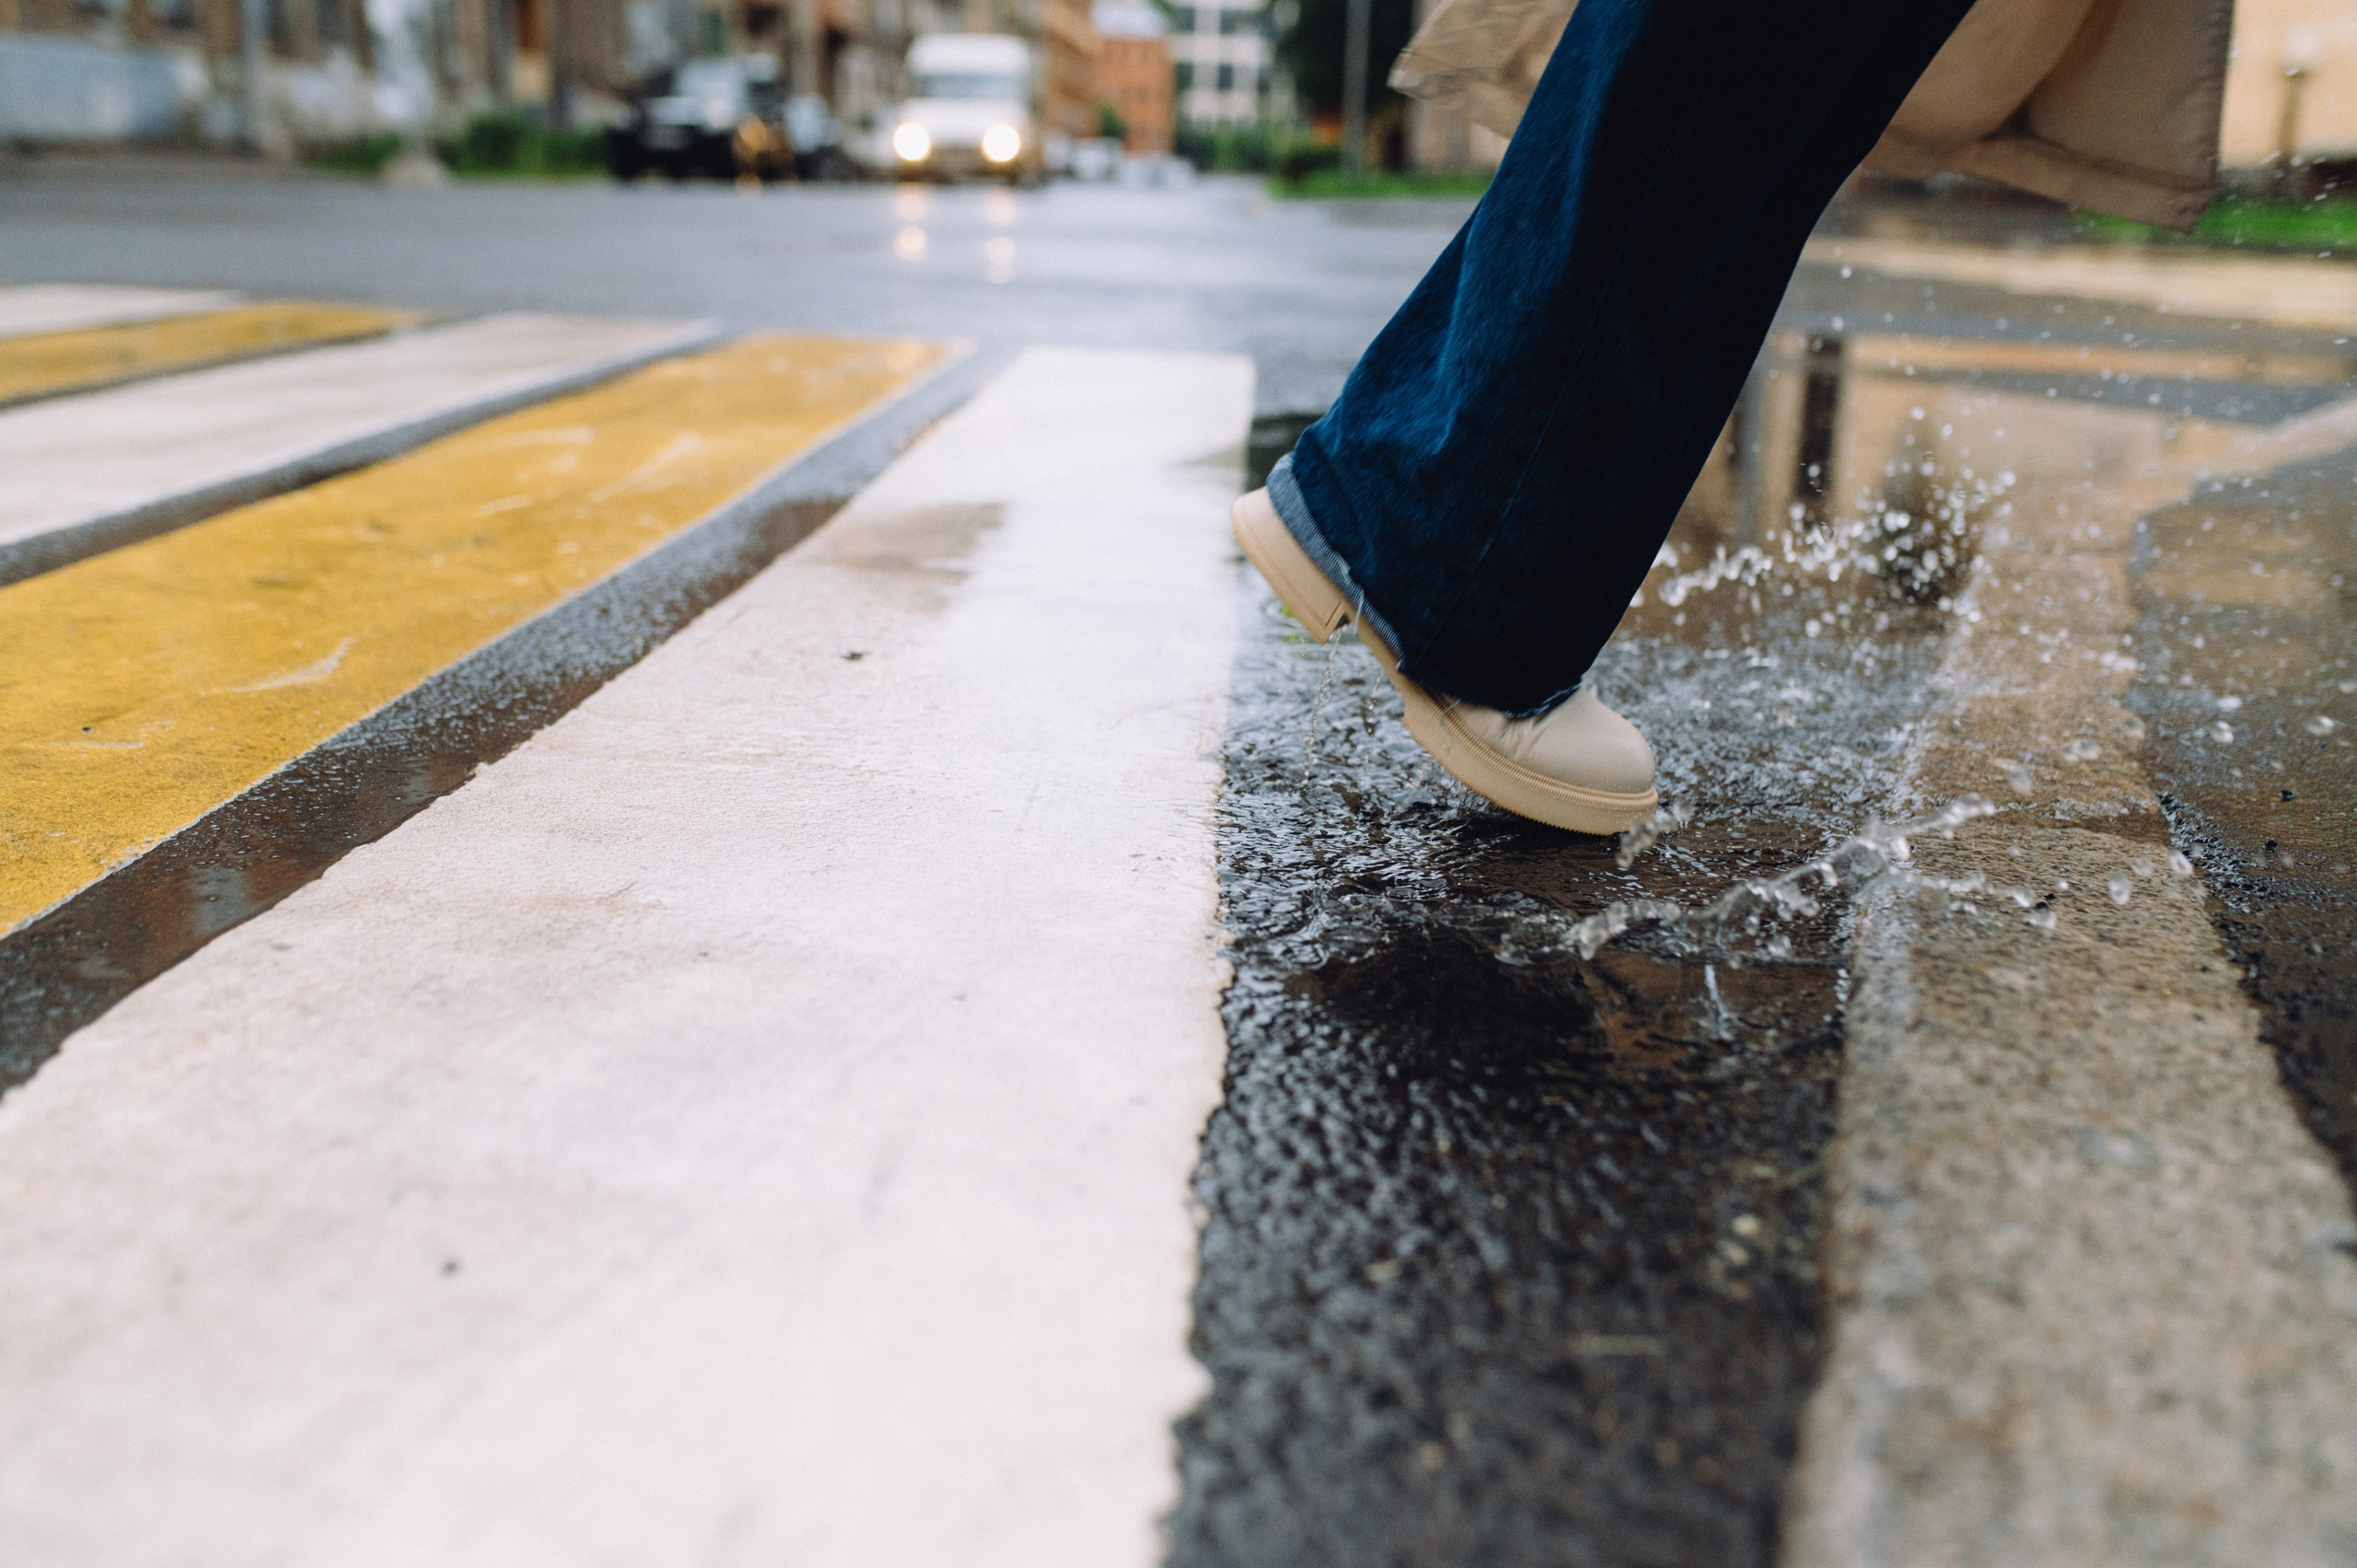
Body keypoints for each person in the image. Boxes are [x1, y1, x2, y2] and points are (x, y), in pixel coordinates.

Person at [1232, 0, 2233, 833]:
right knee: (1771, 53)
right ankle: (1459, 566)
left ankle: (1422, 500)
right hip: (1459, 568)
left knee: (1791, 85)